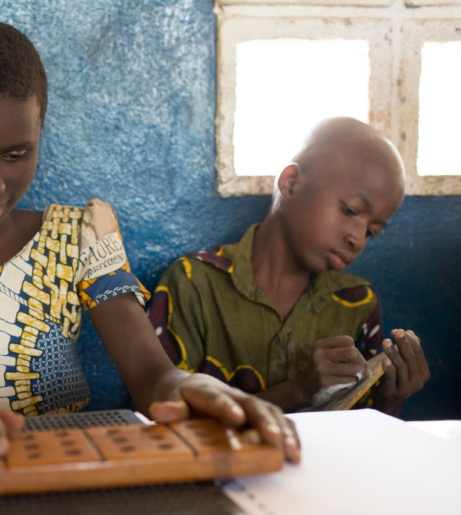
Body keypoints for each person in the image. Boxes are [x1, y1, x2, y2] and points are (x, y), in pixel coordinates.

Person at [0, 17, 300, 469]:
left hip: (53, 484)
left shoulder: (77, 239)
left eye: (15, 153)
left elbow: (152, 378)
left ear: (40, 130)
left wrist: (190, 385)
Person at [148, 117, 430, 416]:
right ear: (291, 183)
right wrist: (300, 390)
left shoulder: (357, 303)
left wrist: (391, 398)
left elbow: (362, 434)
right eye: (350, 210)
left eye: (372, 231)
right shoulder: (194, 282)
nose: (357, 239)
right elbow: (171, 417)